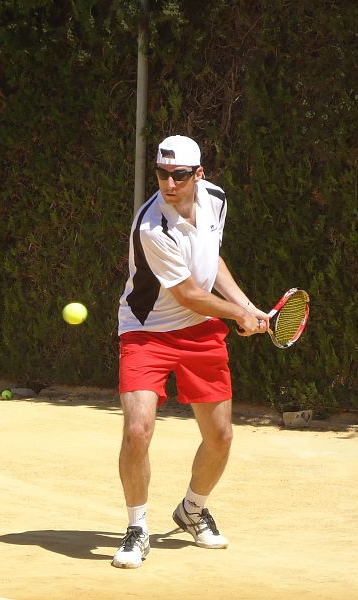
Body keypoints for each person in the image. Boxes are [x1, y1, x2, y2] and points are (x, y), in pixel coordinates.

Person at [112, 135, 269, 569]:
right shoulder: (151, 226)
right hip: (147, 331)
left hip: (200, 334)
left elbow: (212, 261)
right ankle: (137, 527)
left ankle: (192, 510)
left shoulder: (216, 199)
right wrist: (239, 314)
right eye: (161, 174)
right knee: (137, 431)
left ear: (198, 174)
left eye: (178, 175)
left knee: (220, 437)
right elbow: (187, 293)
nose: (168, 183)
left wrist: (248, 306)